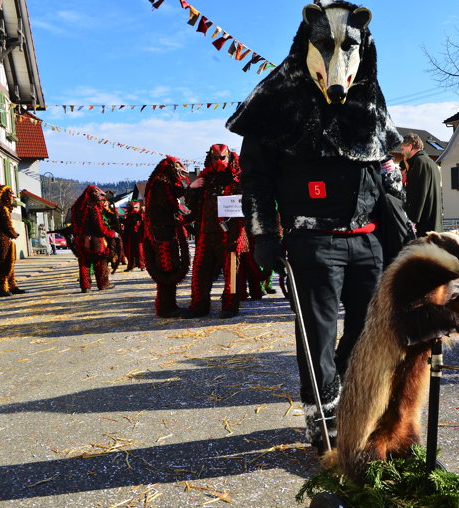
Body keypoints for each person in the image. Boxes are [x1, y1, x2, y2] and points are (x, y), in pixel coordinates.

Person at [225, 2, 399, 453]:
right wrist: (263, 234)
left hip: (367, 241)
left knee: (367, 332)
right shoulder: (276, 103)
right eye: (324, 45)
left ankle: (347, 399)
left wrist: (400, 228)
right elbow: (257, 180)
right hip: (312, 241)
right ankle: (321, 416)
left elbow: (384, 172)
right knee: (316, 334)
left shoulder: (370, 101)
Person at [182, 144, 250, 319]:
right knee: (200, 270)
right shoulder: (205, 178)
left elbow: (249, 204)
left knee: (231, 272)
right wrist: (193, 187)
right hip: (206, 232)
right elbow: (190, 204)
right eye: (215, 158)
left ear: (229, 158)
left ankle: (230, 306)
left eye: (222, 158)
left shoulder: (238, 178)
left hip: (231, 232)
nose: (219, 162)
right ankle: (199, 305)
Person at [143, 157, 191, 317]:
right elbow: (167, 208)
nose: (180, 174)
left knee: (169, 268)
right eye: (177, 170)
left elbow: (176, 193)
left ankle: (168, 305)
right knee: (167, 269)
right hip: (162, 233)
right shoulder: (161, 185)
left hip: (163, 231)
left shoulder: (161, 183)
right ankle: (166, 308)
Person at [70, 186, 119, 293]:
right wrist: (112, 233)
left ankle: (85, 286)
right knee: (100, 261)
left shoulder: (76, 207)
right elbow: (100, 227)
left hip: (80, 239)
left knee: (84, 262)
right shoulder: (93, 207)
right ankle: (103, 284)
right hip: (95, 240)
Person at [0, 185, 25, 297]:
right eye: (10, 195)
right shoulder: (2, 208)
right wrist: (14, 234)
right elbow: (6, 224)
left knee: (7, 263)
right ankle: (3, 288)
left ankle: (12, 286)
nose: (11, 198)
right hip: (3, 239)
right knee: (5, 263)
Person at [401, 133, 442, 237]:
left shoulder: (419, 162)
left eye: (403, 149)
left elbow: (418, 195)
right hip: (433, 220)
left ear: (410, 147)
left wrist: (411, 219)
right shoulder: (431, 162)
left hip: (424, 223)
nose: (402, 152)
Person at [123, 201, 146, 271]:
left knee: (140, 251)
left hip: (139, 236)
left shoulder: (142, 215)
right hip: (131, 236)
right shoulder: (130, 216)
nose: (134, 209)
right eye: (133, 207)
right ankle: (130, 266)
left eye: (136, 207)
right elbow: (127, 226)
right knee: (131, 251)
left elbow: (144, 226)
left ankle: (142, 265)